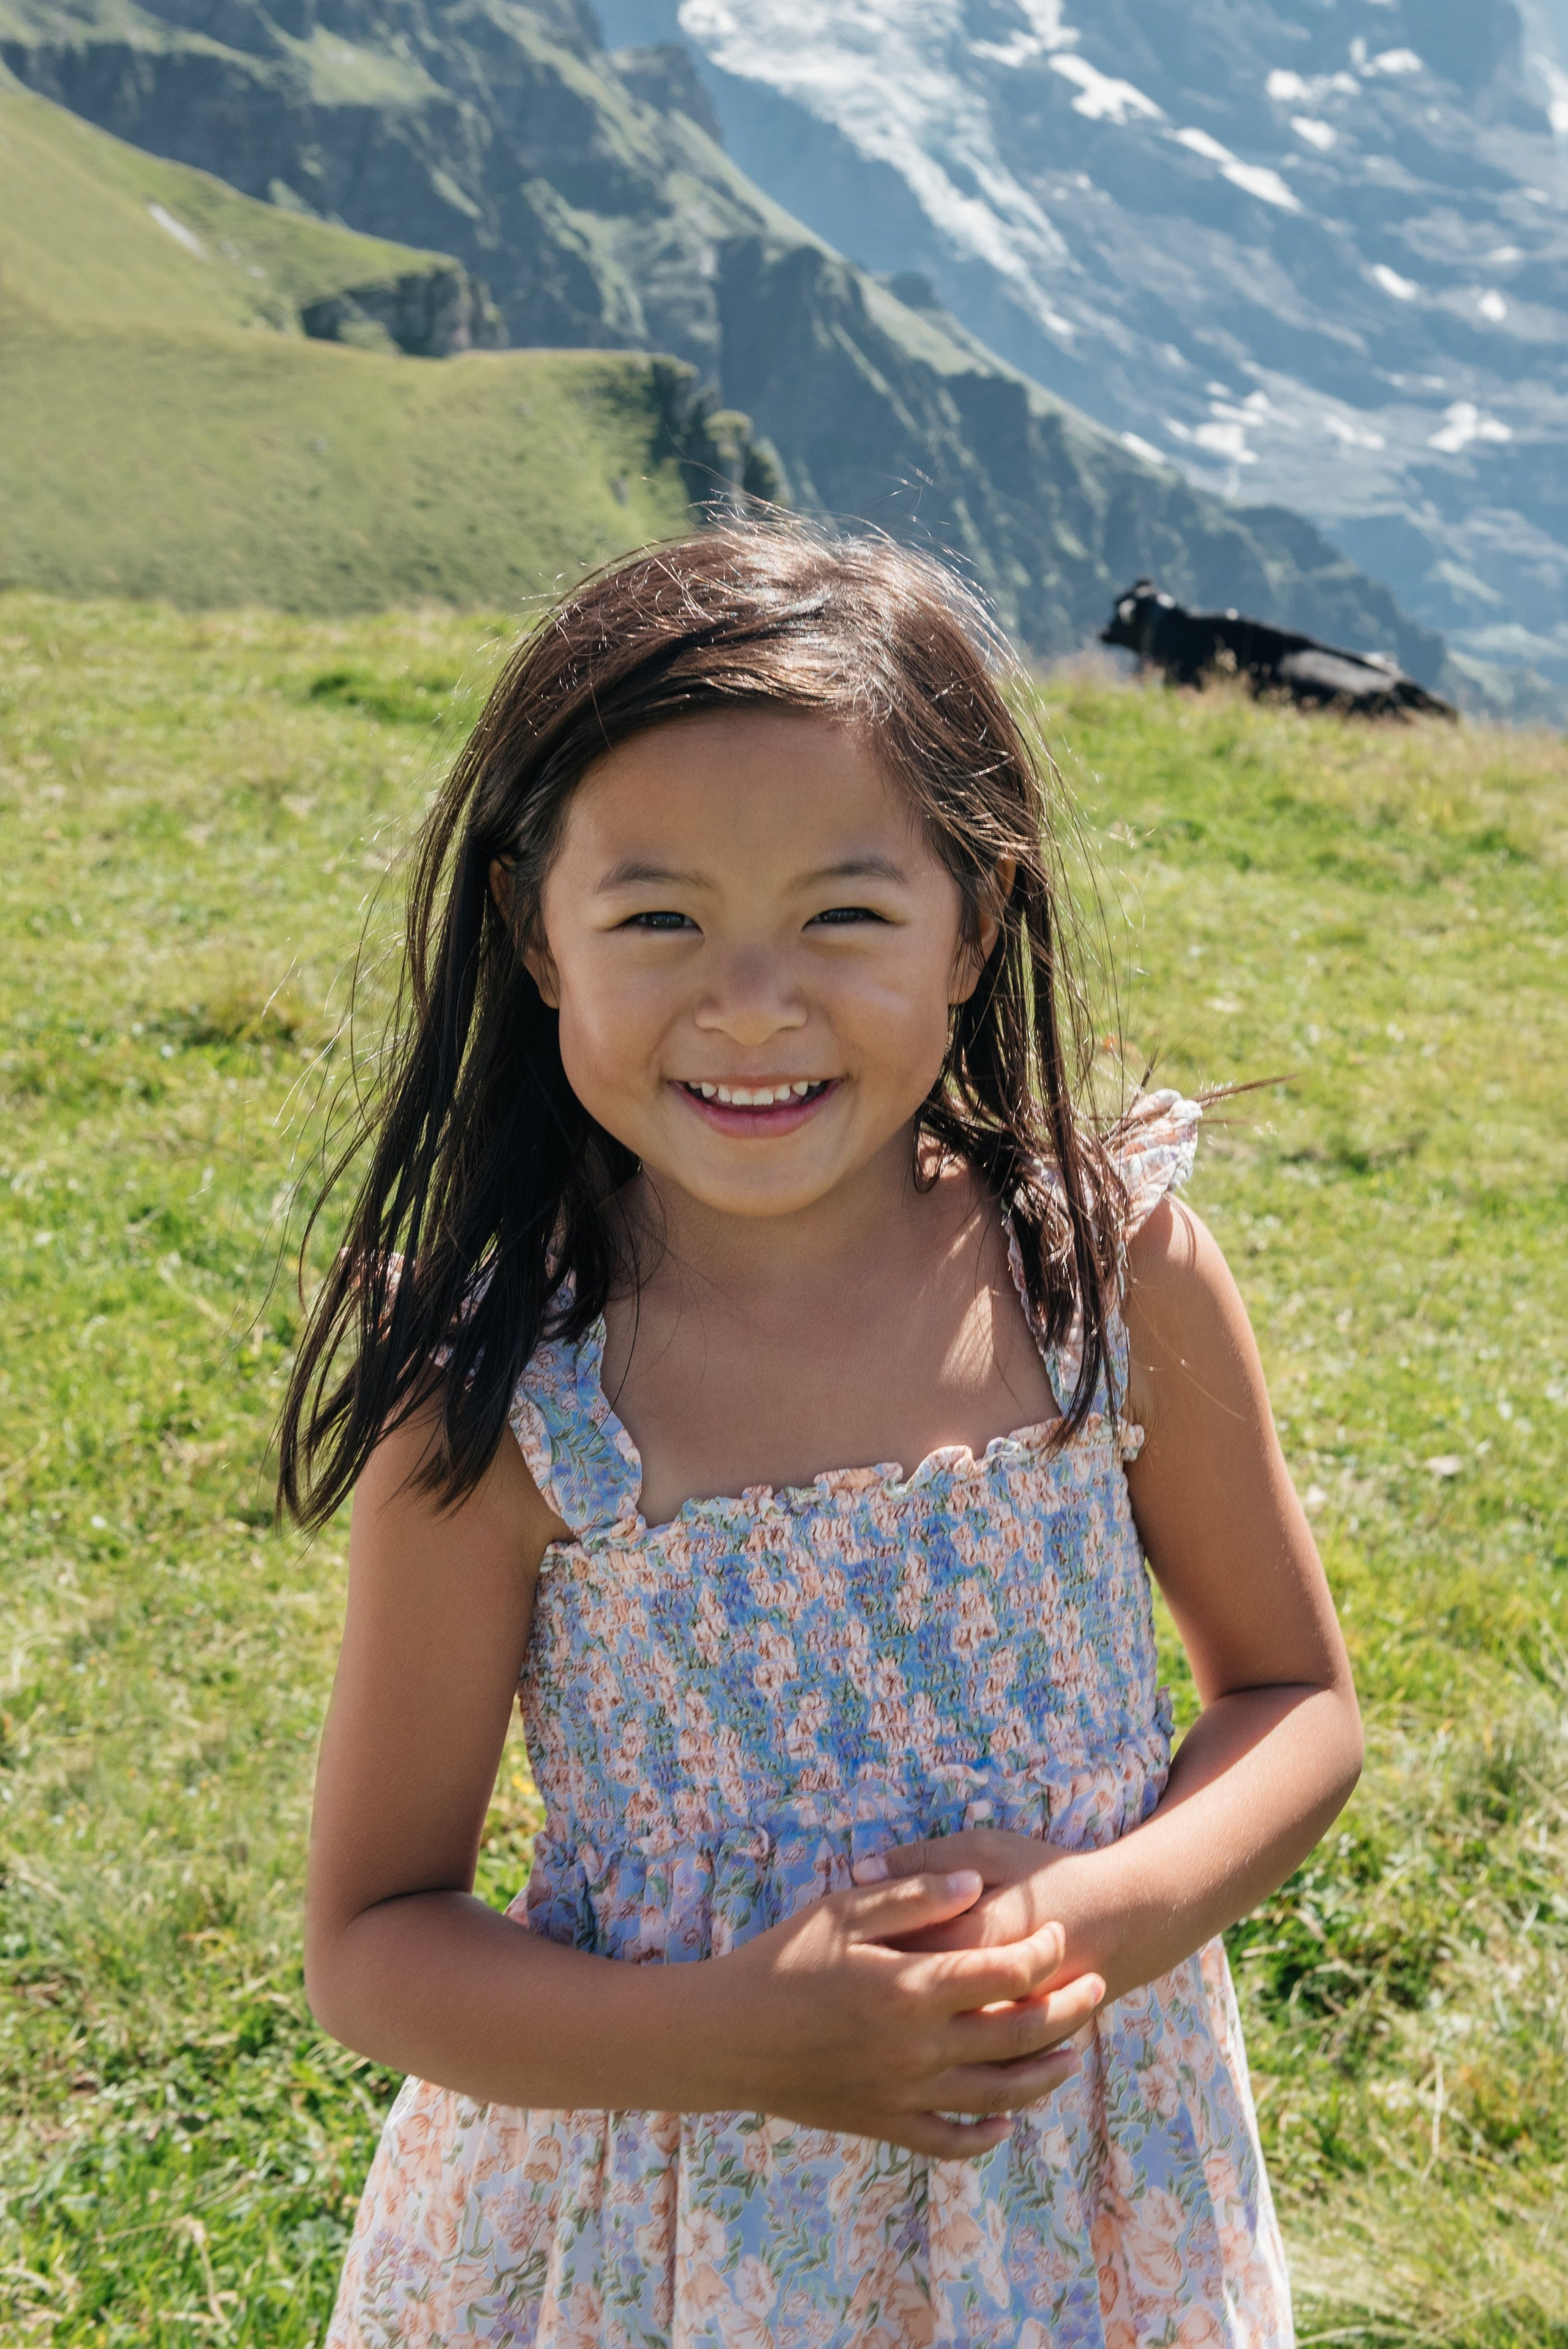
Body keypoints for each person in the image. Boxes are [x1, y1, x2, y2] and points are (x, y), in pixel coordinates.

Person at [281, 523, 1362, 2348]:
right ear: (534, 938)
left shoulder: (1110, 1275)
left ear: (978, 920)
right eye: (659, 918)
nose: (754, 1000)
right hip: (652, 2241)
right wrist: (746, 2035)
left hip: (1081, 2209)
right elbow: (376, 1936)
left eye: (845, 913)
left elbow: (1298, 1705)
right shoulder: (506, 1388)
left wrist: (1105, 1918)